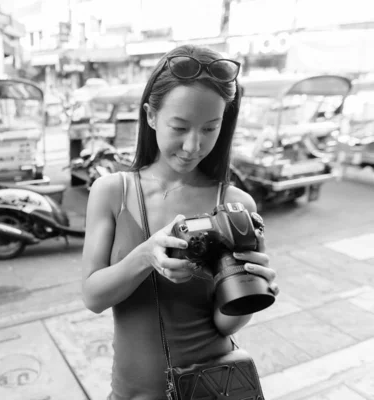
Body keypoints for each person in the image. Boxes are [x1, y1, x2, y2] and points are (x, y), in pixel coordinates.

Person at [81, 45, 280, 400]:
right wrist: (147, 254)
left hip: (213, 389)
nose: (193, 144)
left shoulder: (236, 205)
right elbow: (94, 297)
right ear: (151, 116)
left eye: (210, 128)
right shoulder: (112, 192)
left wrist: (249, 292)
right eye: (180, 126)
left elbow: (223, 325)